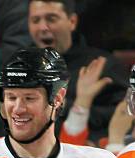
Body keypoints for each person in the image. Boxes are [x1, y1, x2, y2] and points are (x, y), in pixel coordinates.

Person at [27, 0, 128, 144]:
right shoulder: (20, 67)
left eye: (51, 19)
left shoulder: (101, 65)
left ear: (72, 21)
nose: (43, 27)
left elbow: (124, 114)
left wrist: (68, 107)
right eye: (35, 20)